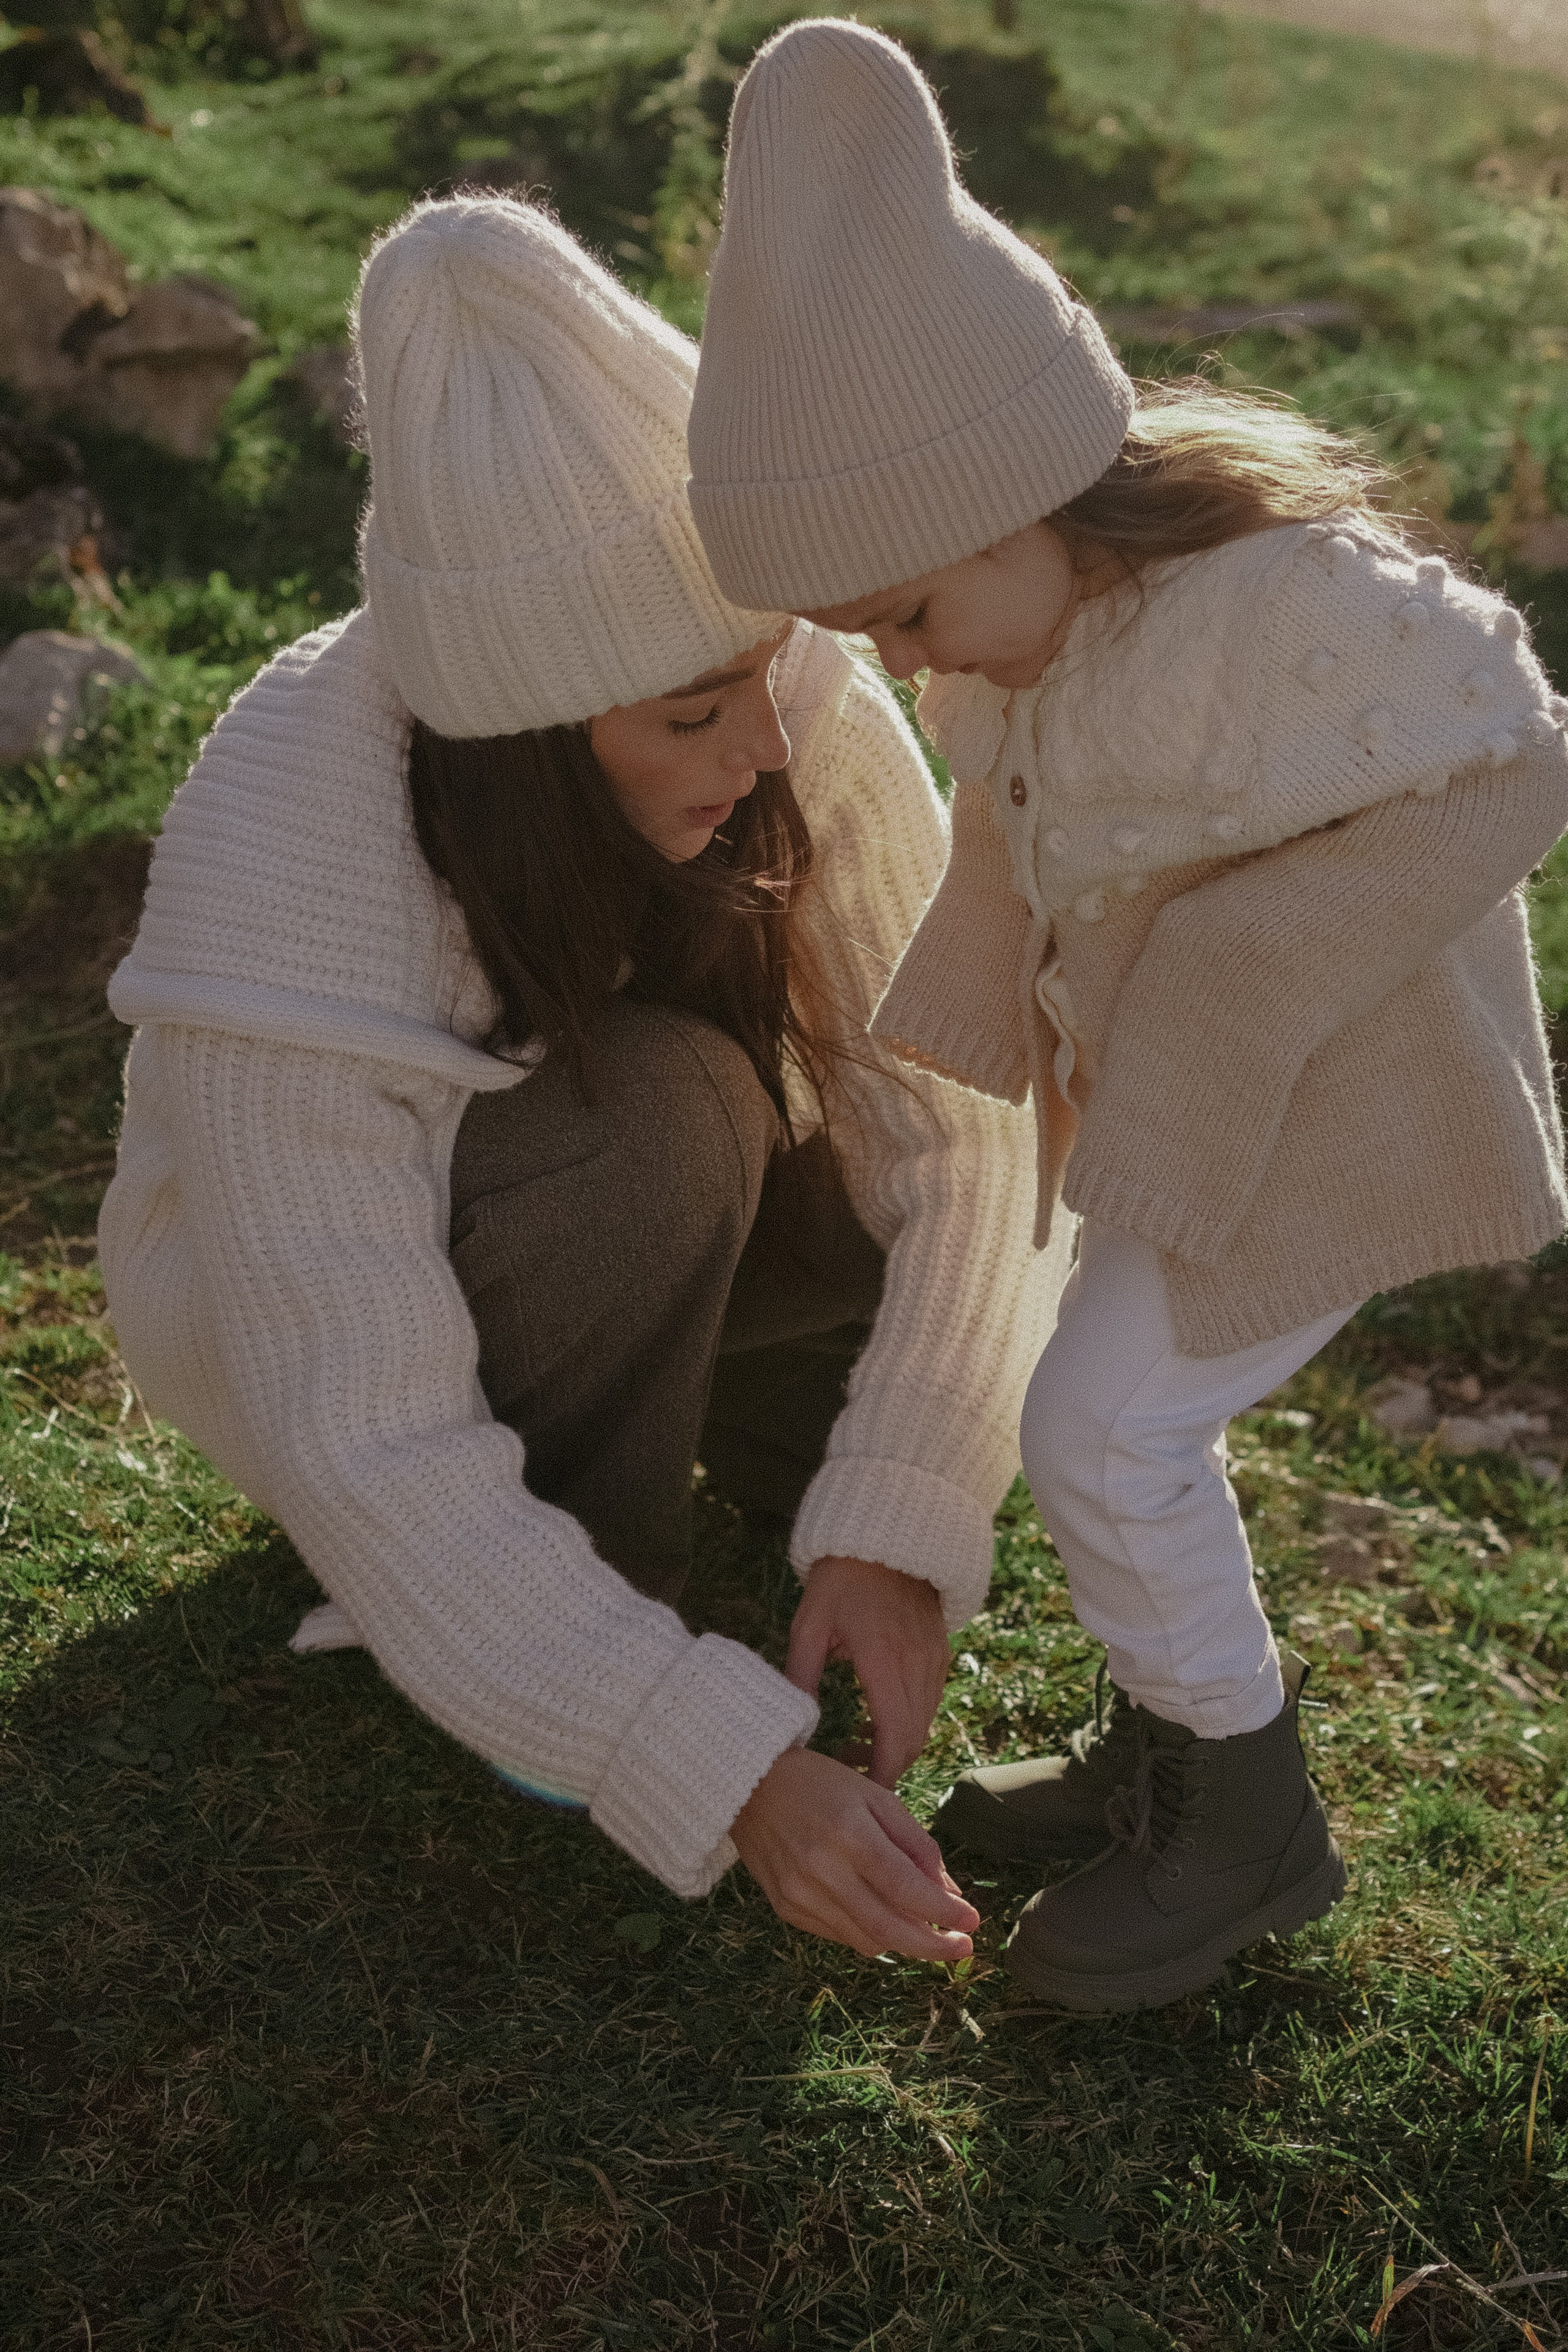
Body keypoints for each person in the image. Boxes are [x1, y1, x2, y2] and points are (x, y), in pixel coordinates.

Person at [688, 17, 1568, 2010]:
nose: (911, 664)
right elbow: (1015, 833)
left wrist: (1263, 960)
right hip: (1189, 1121)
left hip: (1330, 1113)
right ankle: (1162, 1751)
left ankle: (1250, 1829)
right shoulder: (1035, 625)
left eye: (911, 613)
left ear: (1024, 487)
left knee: (1104, 1421)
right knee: (1113, 1417)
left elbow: (1521, 752)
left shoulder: (1280, 608)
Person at [99, 194, 1071, 1964]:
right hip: (338, 1321)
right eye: (692, 719)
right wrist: (708, 1765)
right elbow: (364, 1430)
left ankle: (792, 1514)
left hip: (638, 1210)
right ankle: (582, 1624)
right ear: (532, 749)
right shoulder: (291, 856)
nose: (769, 743)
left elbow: (971, 1116)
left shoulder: (776, 684)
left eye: (762, 674)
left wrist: (906, 1516)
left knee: (863, 1129)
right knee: (668, 1120)